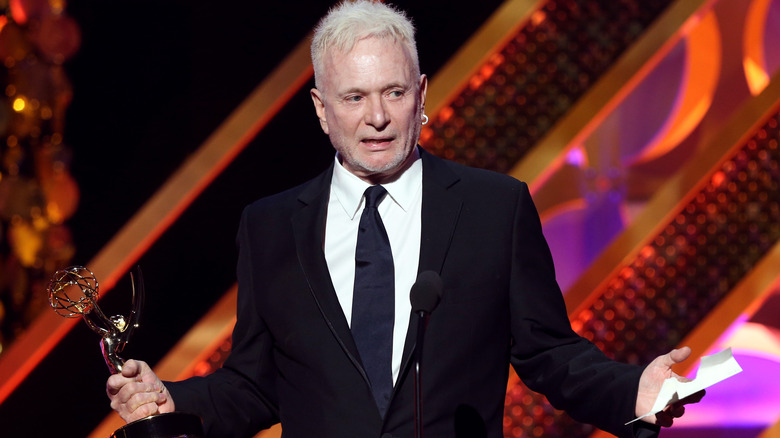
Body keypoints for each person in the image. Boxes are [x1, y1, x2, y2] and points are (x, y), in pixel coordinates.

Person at [106, 1, 704, 437]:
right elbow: (255, 384)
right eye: (354, 97)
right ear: (320, 108)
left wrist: (633, 391)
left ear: (421, 94)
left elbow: (550, 355)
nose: (377, 118)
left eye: (394, 93)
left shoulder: (494, 208)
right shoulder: (269, 227)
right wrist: (173, 402)